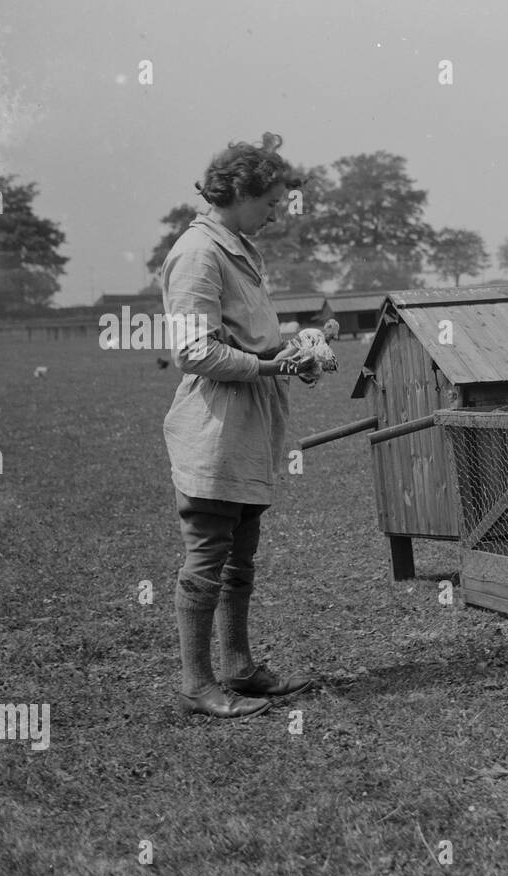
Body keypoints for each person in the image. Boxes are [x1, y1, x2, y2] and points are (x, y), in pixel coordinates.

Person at [162, 132, 316, 719]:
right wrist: (267, 365)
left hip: (248, 425)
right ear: (243, 192)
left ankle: (239, 668)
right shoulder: (198, 253)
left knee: (239, 558)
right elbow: (195, 352)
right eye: (272, 202)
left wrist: (290, 358)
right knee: (208, 558)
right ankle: (198, 684)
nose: (277, 214)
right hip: (215, 429)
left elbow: (250, 336)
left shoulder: (239, 249)